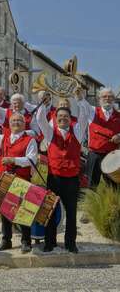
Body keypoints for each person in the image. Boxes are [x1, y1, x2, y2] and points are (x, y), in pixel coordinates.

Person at [0, 112, 38, 254]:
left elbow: (32, 159)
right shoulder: (4, 137)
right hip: (4, 180)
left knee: (23, 211)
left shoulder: (30, 140)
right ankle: (6, 240)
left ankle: (26, 242)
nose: (16, 123)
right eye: (13, 120)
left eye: (19, 121)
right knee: (5, 211)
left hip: (21, 180)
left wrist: (13, 160)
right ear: (9, 124)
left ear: (24, 124)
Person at [37, 100, 88, 253]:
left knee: (72, 213)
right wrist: (44, 104)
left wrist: (80, 100)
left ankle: (70, 243)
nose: (63, 119)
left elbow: (84, 116)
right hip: (54, 178)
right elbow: (40, 119)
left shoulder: (77, 132)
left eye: (66, 116)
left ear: (70, 118)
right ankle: (49, 242)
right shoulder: (50, 132)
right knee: (50, 211)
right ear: (55, 117)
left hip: (72, 179)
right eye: (60, 116)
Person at [78, 88, 120, 188]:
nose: (107, 99)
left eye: (110, 96)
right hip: (94, 154)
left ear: (114, 99)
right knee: (90, 185)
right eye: (104, 96)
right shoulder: (92, 111)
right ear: (99, 99)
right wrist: (79, 96)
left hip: (112, 156)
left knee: (114, 187)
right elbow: (83, 104)